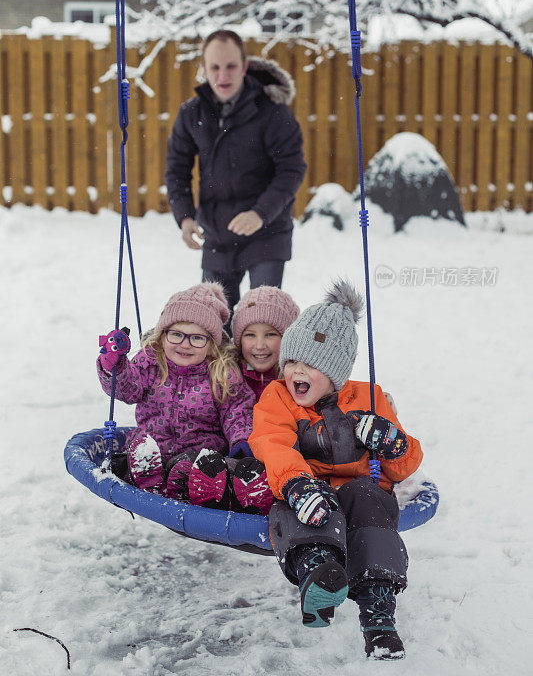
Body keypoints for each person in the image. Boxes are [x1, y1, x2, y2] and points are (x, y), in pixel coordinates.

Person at [249, 280, 423, 660]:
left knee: (370, 503)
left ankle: (379, 614)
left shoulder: (369, 397)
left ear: (335, 371)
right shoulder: (277, 396)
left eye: (309, 364)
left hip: (362, 488)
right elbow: (272, 442)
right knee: (299, 506)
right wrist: (296, 485)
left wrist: (390, 440)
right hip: (306, 484)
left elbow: (405, 464)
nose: (295, 371)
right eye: (291, 360)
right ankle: (319, 572)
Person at [165, 29, 307, 315]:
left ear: (244, 66)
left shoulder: (273, 112)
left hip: (267, 233)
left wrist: (260, 212)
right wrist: (185, 217)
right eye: (214, 67)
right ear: (203, 69)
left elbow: (291, 169)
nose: (222, 76)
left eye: (230, 66)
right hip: (217, 235)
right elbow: (177, 169)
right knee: (214, 325)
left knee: (263, 321)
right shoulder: (192, 113)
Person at [97, 283, 271, 514]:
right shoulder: (150, 362)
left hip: (200, 457)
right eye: (177, 334)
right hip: (152, 449)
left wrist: (241, 441)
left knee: (191, 467)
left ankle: (198, 490)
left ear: (211, 345)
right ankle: (147, 477)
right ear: (162, 335)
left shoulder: (222, 373)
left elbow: (237, 411)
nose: (185, 344)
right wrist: (115, 366)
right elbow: (128, 388)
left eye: (197, 338)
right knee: (131, 457)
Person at [231, 285, 300, 402]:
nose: (260, 346)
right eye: (250, 335)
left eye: (270, 335)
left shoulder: (299, 381)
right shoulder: (226, 378)